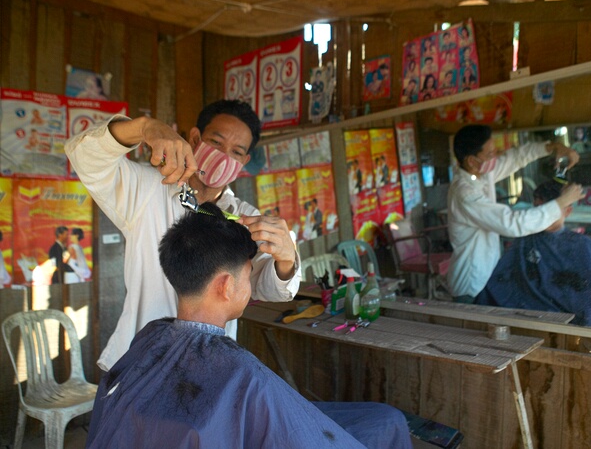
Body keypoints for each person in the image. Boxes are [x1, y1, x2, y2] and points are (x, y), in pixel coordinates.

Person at [87, 203, 413, 449]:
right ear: (227, 286)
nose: (250, 283)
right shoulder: (243, 375)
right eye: (248, 273)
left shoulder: (150, 336)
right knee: (388, 420)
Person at [65, 99, 301, 372]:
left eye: (236, 152)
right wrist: (144, 128)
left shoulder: (245, 216)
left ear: (244, 161)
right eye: (216, 142)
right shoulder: (147, 190)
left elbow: (267, 286)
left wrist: (285, 258)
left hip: (206, 366)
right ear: (194, 138)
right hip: (140, 365)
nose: (225, 155)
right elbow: (83, 154)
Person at [447, 125, 585, 302]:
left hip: (487, 277)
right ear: (472, 161)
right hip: (471, 285)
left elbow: (515, 157)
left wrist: (552, 147)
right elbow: (511, 223)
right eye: (490, 154)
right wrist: (560, 203)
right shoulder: (465, 193)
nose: (495, 157)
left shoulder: (481, 174)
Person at [476, 181, 591, 327]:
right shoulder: (525, 241)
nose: (543, 215)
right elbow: (498, 285)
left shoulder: (584, 247)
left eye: (550, 209)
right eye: (538, 209)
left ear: (567, 211)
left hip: (565, 326)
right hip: (524, 320)